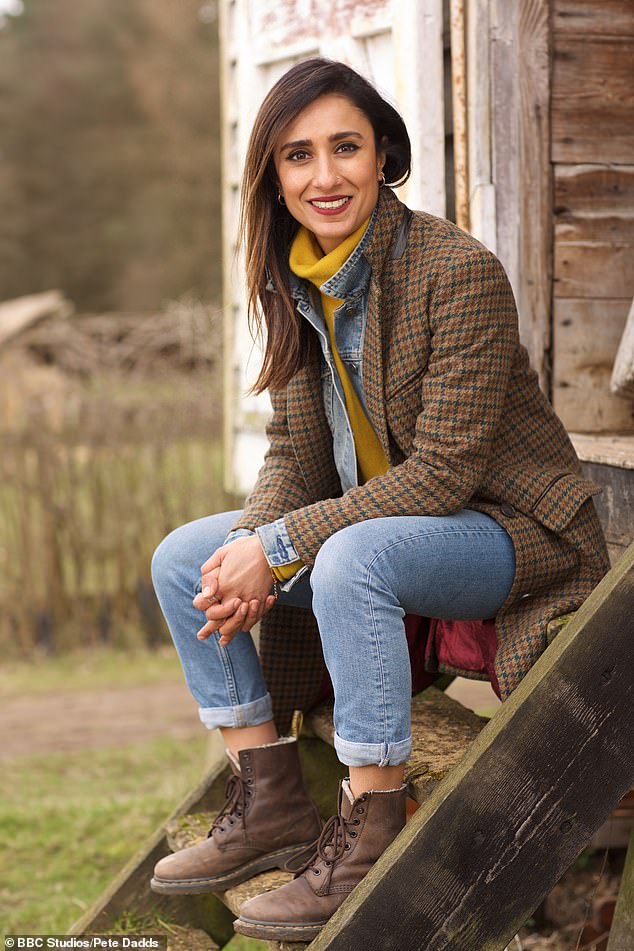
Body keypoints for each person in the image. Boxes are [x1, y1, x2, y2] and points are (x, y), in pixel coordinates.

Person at [149, 58, 609, 943]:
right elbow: (292, 450)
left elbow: (441, 475)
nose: (325, 176)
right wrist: (252, 541)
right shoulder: (294, 283)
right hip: (391, 524)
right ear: (274, 179)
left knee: (350, 554)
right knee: (184, 556)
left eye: (345, 148)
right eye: (298, 156)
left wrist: (281, 546)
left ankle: (371, 827)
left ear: (383, 153)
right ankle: (270, 795)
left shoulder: (457, 272)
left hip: (510, 530)